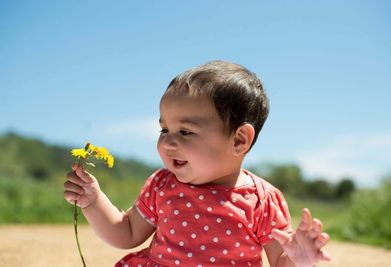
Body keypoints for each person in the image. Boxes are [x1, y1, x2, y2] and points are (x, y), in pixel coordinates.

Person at [64, 60, 330, 267]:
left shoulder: (262, 201)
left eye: (186, 132)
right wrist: (93, 201)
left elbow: (280, 261)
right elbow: (127, 232)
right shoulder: (162, 185)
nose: (168, 143)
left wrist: (299, 259)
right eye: (164, 130)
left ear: (239, 140)